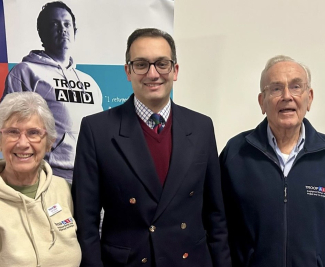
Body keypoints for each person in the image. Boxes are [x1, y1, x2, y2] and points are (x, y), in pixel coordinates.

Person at [72, 28, 231, 267]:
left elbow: (215, 215)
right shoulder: (97, 130)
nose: (153, 73)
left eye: (162, 64)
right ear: (128, 71)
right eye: (141, 64)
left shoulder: (201, 127)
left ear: (175, 70)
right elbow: (86, 223)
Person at [220, 55, 325, 266]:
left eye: (296, 87)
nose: (287, 96)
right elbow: (218, 227)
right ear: (262, 102)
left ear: (309, 98)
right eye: (276, 89)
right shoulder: (236, 153)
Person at [1, 1, 103, 182]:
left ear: (74, 32)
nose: (62, 29)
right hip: (48, 176)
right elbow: (10, 130)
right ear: (42, 33)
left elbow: (99, 132)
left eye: (66, 24)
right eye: (54, 24)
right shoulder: (25, 72)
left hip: (89, 175)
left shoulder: (90, 82)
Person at [0, 92, 81, 266]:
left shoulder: (63, 189)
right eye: (13, 132)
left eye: (33, 133)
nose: (23, 143)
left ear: (49, 142)